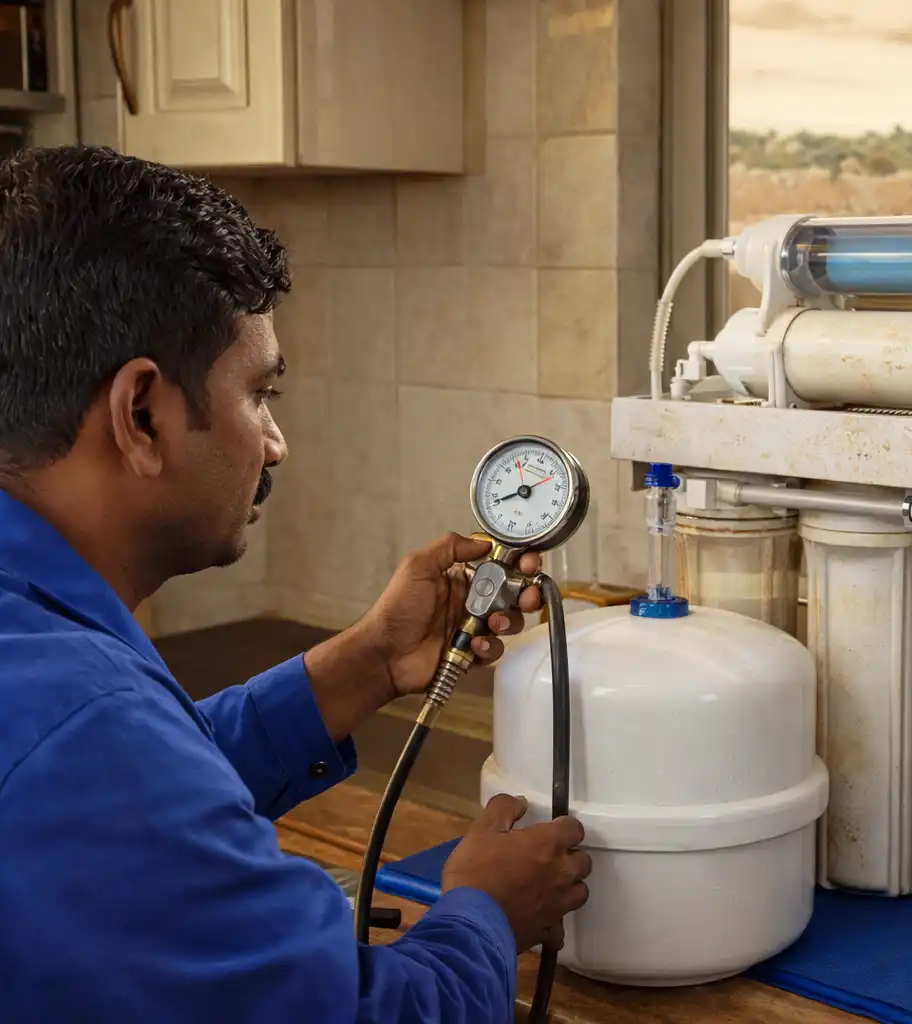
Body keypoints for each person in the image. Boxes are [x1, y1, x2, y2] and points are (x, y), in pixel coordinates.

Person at [0, 145, 591, 1023]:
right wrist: (487, 916)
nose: (274, 444)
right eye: (259, 394)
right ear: (141, 415)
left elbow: (139, 802)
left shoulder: (49, 681)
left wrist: (369, 661)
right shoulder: (83, 724)